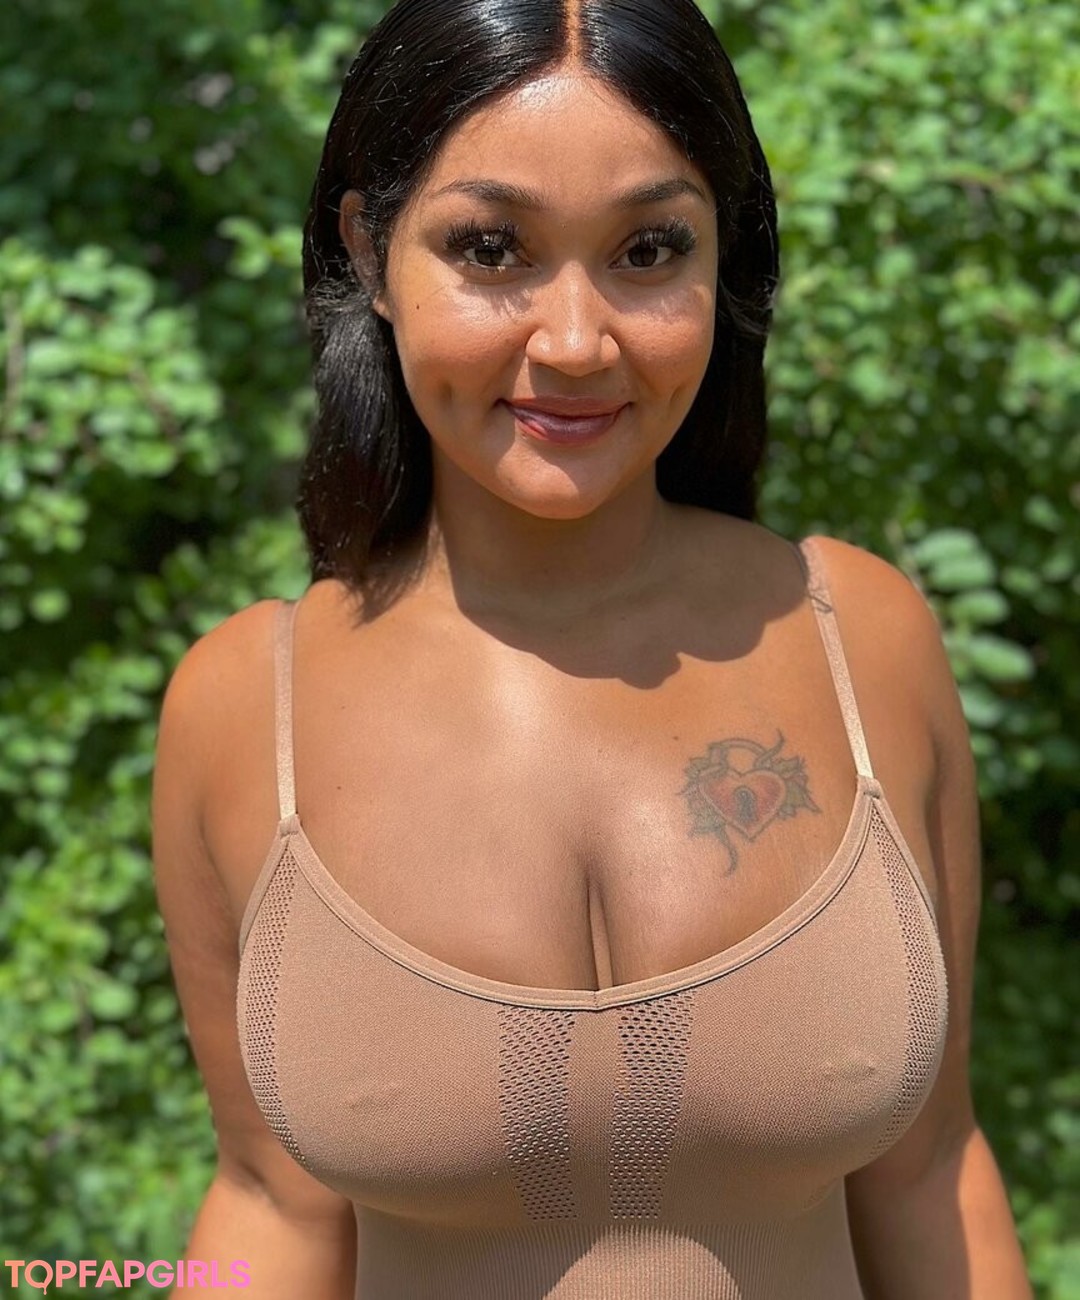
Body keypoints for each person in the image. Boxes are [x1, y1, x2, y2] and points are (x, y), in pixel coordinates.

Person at [151, 1, 1034, 1296]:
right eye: (491, 248)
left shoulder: (866, 640)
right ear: (368, 250)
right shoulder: (240, 709)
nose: (574, 343)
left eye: (648, 250)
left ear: (724, 263)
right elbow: (271, 1206)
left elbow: (931, 1170)